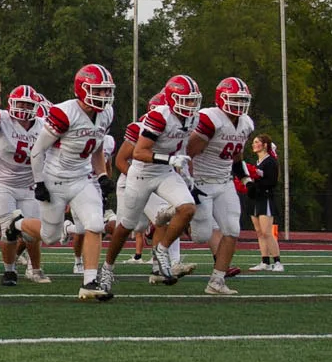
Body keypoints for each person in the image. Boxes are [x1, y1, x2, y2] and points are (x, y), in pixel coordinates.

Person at [0, 64, 116, 302]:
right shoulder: (65, 113)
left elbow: (97, 147)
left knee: (95, 224)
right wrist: (39, 182)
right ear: (82, 89)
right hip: (54, 178)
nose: (104, 95)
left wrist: (102, 174)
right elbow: (37, 150)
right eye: (99, 90)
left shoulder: (107, 113)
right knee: (49, 236)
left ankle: (90, 282)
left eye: (106, 90)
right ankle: (17, 223)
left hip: (82, 178)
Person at [105, 74, 200, 289]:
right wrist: (169, 159)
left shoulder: (191, 118)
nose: (191, 105)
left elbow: (182, 148)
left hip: (165, 172)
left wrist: (185, 173)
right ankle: (107, 268)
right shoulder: (157, 118)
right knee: (127, 226)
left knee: (187, 209)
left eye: (193, 100)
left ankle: (162, 251)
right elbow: (138, 153)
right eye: (186, 100)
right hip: (141, 174)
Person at [186, 76, 256, 295]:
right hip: (201, 181)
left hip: (224, 182)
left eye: (242, 99)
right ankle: (173, 214)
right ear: (222, 98)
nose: (239, 104)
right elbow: (187, 154)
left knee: (232, 230)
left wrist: (245, 179)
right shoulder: (209, 119)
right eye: (235, 98)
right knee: (201, 236)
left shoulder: (245, 123)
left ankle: (216, 281)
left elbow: (236, 154)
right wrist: (188, 185)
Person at [0, 84, 49, 286]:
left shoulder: (43, 125)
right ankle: (9, 271)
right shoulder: (3, 118)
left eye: (28, 104)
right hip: (2, 182)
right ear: (11, 103)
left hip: (28, 184)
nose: (23, 108)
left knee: (31, 232)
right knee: (9, 228)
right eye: (20, 103)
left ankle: (35, 269)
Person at [246, 133, 281, 271]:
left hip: (265, 198)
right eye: (253, 142)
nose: (254, 145)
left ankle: (277, 262)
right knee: (259, 232)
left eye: (256, 142)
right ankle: (265, 261)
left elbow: (271, 182)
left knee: (267, 232)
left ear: (264, 145)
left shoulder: (270, 161)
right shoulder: (257, 162)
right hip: (255, 199)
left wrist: (257, 179)